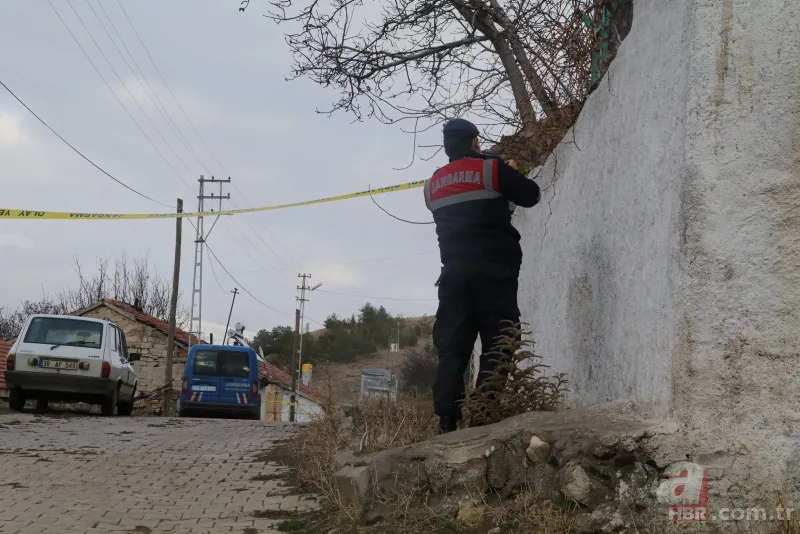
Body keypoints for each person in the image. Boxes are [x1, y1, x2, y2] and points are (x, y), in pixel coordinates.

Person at [423, 118, 541, 434]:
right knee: (500, 340)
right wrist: (507, 170)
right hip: (494, 273)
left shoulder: (432, 185)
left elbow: (467, 207)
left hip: (453, 277)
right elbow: (531, 194)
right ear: (475, 143)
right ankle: (483, 413)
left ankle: (447, 421)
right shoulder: (492, 170)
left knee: (453, 347)